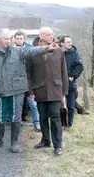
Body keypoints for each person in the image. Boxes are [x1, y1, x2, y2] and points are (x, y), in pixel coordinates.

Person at [0, 28, 57, 153]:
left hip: (16, 90)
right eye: (6, 39)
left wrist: (45, 48)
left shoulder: (18, 51)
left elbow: (31, 51)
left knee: (16, 117)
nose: (9, 41)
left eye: (9, 38)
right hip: (0, 91)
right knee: (0, 117)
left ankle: (14, 143)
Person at [26, 27, 68, 156]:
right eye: (49, 34)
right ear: (41, 36)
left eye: (52, 34)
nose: (52, 36)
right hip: (40, 89)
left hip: (56, 89)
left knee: (55, 117)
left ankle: (58, 146)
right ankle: (45, 140)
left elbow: (63, 71)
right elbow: (28, 72)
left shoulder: (59, 51)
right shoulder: (32, 52)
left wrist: (64, 91)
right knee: (42, 117)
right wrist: (30, 89)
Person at [14, 30, 41, 131]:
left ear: (24, 39)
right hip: (16, 80)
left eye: (21, 38)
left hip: (29, 80)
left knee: (33, 103)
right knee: (18, 103)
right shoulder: (11, 49)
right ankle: (17, 121)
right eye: (17, 38)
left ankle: (37, 123)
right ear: (14, 39)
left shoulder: (30, 49)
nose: (19, 40)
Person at [59, 34, 84, 128]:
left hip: (70, 83)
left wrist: (73, 75)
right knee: (60, 105)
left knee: (70, 105)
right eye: (68, 42)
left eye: (70, 41)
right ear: (62, 43)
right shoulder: (58, 52)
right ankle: (62, 122)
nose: (70, 43)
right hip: (59, 83)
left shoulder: (74, 53)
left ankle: (69, 124)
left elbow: (80, 66)